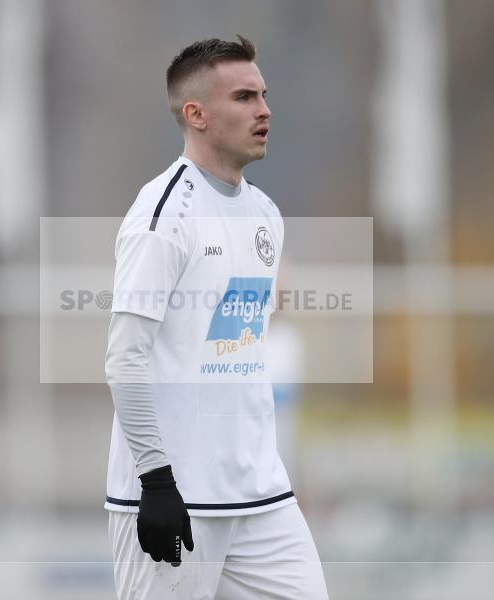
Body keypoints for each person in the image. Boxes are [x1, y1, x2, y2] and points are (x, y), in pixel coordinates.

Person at [103, 36, 328, 599]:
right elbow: (124, 358)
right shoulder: (162, 216)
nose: (265, 110)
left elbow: (233, 351)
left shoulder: (265, 215)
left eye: (264, 95)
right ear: (196, 114)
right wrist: (155, 480)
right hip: (173, 499)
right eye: (245, 96)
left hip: (260, 497)